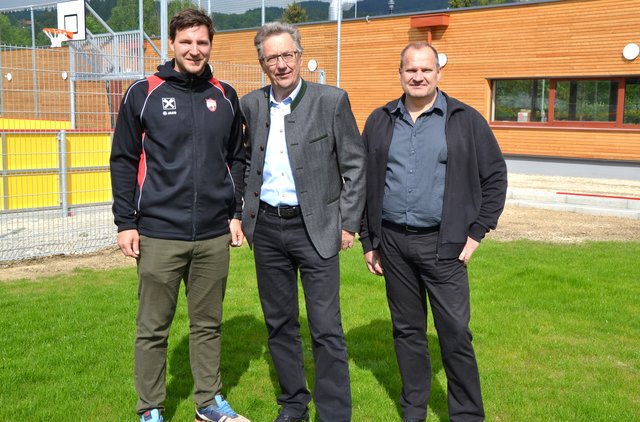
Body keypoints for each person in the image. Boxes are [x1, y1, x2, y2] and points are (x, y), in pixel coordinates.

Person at [109, 9, 248, 422]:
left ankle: (209, 402)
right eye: (186, 41)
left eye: (202, 42)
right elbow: (123, 159)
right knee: (153, 328)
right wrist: (125, 222)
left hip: (211, 235)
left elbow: (236, 159)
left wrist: (235, 212)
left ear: (210, 45)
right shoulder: (143, 92)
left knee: (208, 324)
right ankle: (150, 408)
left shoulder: (224, 94)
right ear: (172, 44)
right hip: (158, 233)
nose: (194, 49)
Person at [360, 42, 508, 422]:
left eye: (426, 69)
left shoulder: (464, 119)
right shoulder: (380, 120)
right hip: (392, 243)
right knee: (407, 332)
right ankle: (413, 411)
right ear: (400, 73)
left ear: (438, 73)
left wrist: (476, 231)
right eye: (411, 70)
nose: (418, 76)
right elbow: (364, 182)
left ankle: (467, 415)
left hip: (446, 245)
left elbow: (495, 177)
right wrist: (369, 240)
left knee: (455, 334)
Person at [239, 22, 366, 422]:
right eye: (271, 58)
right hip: (268, 230)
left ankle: (333, 413)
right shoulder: (252, 105)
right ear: (262, 63)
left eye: (287, 55)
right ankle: (294, 403)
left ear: (299, 54)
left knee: (326, 327)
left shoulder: (331, 101)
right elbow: (243, 164)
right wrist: (242, 216)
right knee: (279, 324)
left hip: (317, 230)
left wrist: (348, 223)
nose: (281, 64)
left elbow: (355, 165)